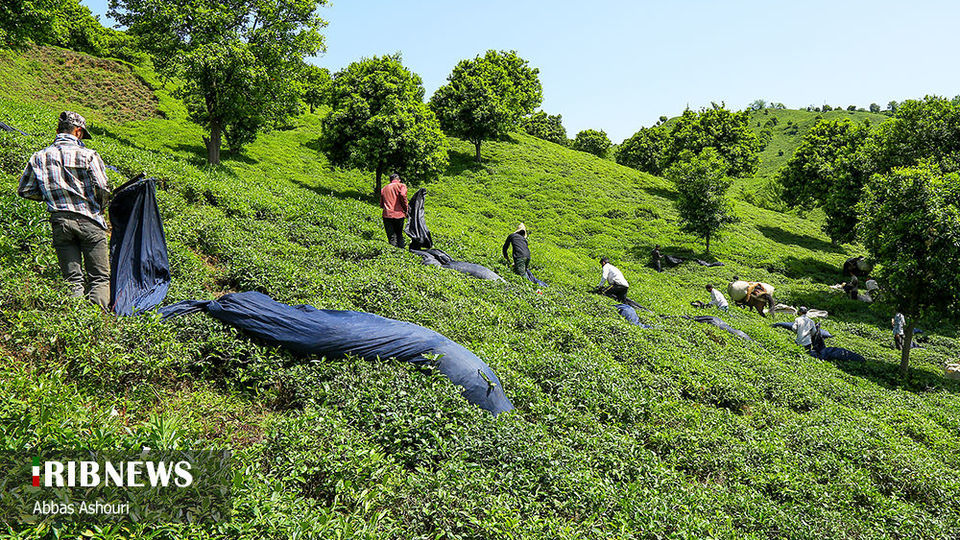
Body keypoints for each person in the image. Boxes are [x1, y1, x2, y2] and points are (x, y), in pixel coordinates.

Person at [18, 111, 111, 309]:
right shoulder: (89, 155)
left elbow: (25, 190)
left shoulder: (39, 157)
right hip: (90, 220)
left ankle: (74, 319)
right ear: (78, 132)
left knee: (73, 279)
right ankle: (98, 326)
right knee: (99, 278)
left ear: (58, 130)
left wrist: (52, 196)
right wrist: (101, 208)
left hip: (60, 222)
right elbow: (102, 188)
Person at [380, 173, 408, 248]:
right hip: (399, 214)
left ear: (390, 180)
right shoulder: (402, 186)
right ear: (399, 180)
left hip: (387, 214)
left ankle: (393, 254)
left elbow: (381, 204)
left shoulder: (384, 188)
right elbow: (403, 195)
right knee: (399, 234)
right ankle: (401, 252)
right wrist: (406, 209)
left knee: (391, 236)